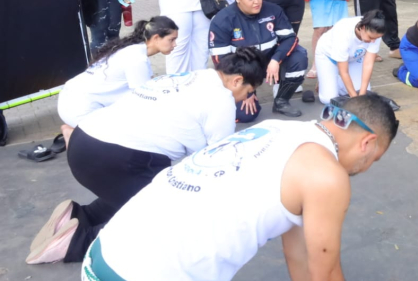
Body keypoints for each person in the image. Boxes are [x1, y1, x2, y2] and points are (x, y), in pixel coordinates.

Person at [73, 95, 398, 281]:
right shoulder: (327, 175)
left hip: (111, 260)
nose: (367, 166)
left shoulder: (280, 131)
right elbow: (324, 279)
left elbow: (300, 256)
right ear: (367, 143)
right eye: (375, 158)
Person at [27, 48, 265, 266]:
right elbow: (219, 159)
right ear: (237, 81)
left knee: (138, 192)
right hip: (115, 157)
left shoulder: (193, 76)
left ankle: (79, 216)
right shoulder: (221, 99)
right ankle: (76, 242)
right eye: (248, 92)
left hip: (85, 141)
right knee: (162, 217)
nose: (245, 98)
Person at [210, 0, 308, 119]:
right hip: (243, 71)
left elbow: (290, 38)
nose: (256, 2)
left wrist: (276, 60)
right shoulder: (223, 19)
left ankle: (281, 101)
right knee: (247, 116)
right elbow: (221, 61)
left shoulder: (274, 10)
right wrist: (246, 90)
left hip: (271, 63)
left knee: (299, 56)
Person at [57, 16, 179, 138]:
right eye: (171, 39)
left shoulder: (130, 49)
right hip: (80, 110)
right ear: (156, 38)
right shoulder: (137, 59)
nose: (175, 44)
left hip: (69, 101)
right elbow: (144, 99)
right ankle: (75, 135)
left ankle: (73, 133)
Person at [315, 11, 385, 104]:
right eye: (370, 37)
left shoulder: (376, 32)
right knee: (329, 99)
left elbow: (368, 64)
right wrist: (355, 100)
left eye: (376, 38)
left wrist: (362, 96)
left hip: (354, 57)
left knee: (362, 91)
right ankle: (327, 79)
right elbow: (344, 71)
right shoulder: (343, 30)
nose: (373, 41)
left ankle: (332, 81)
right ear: (363, 28)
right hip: (328, 56)